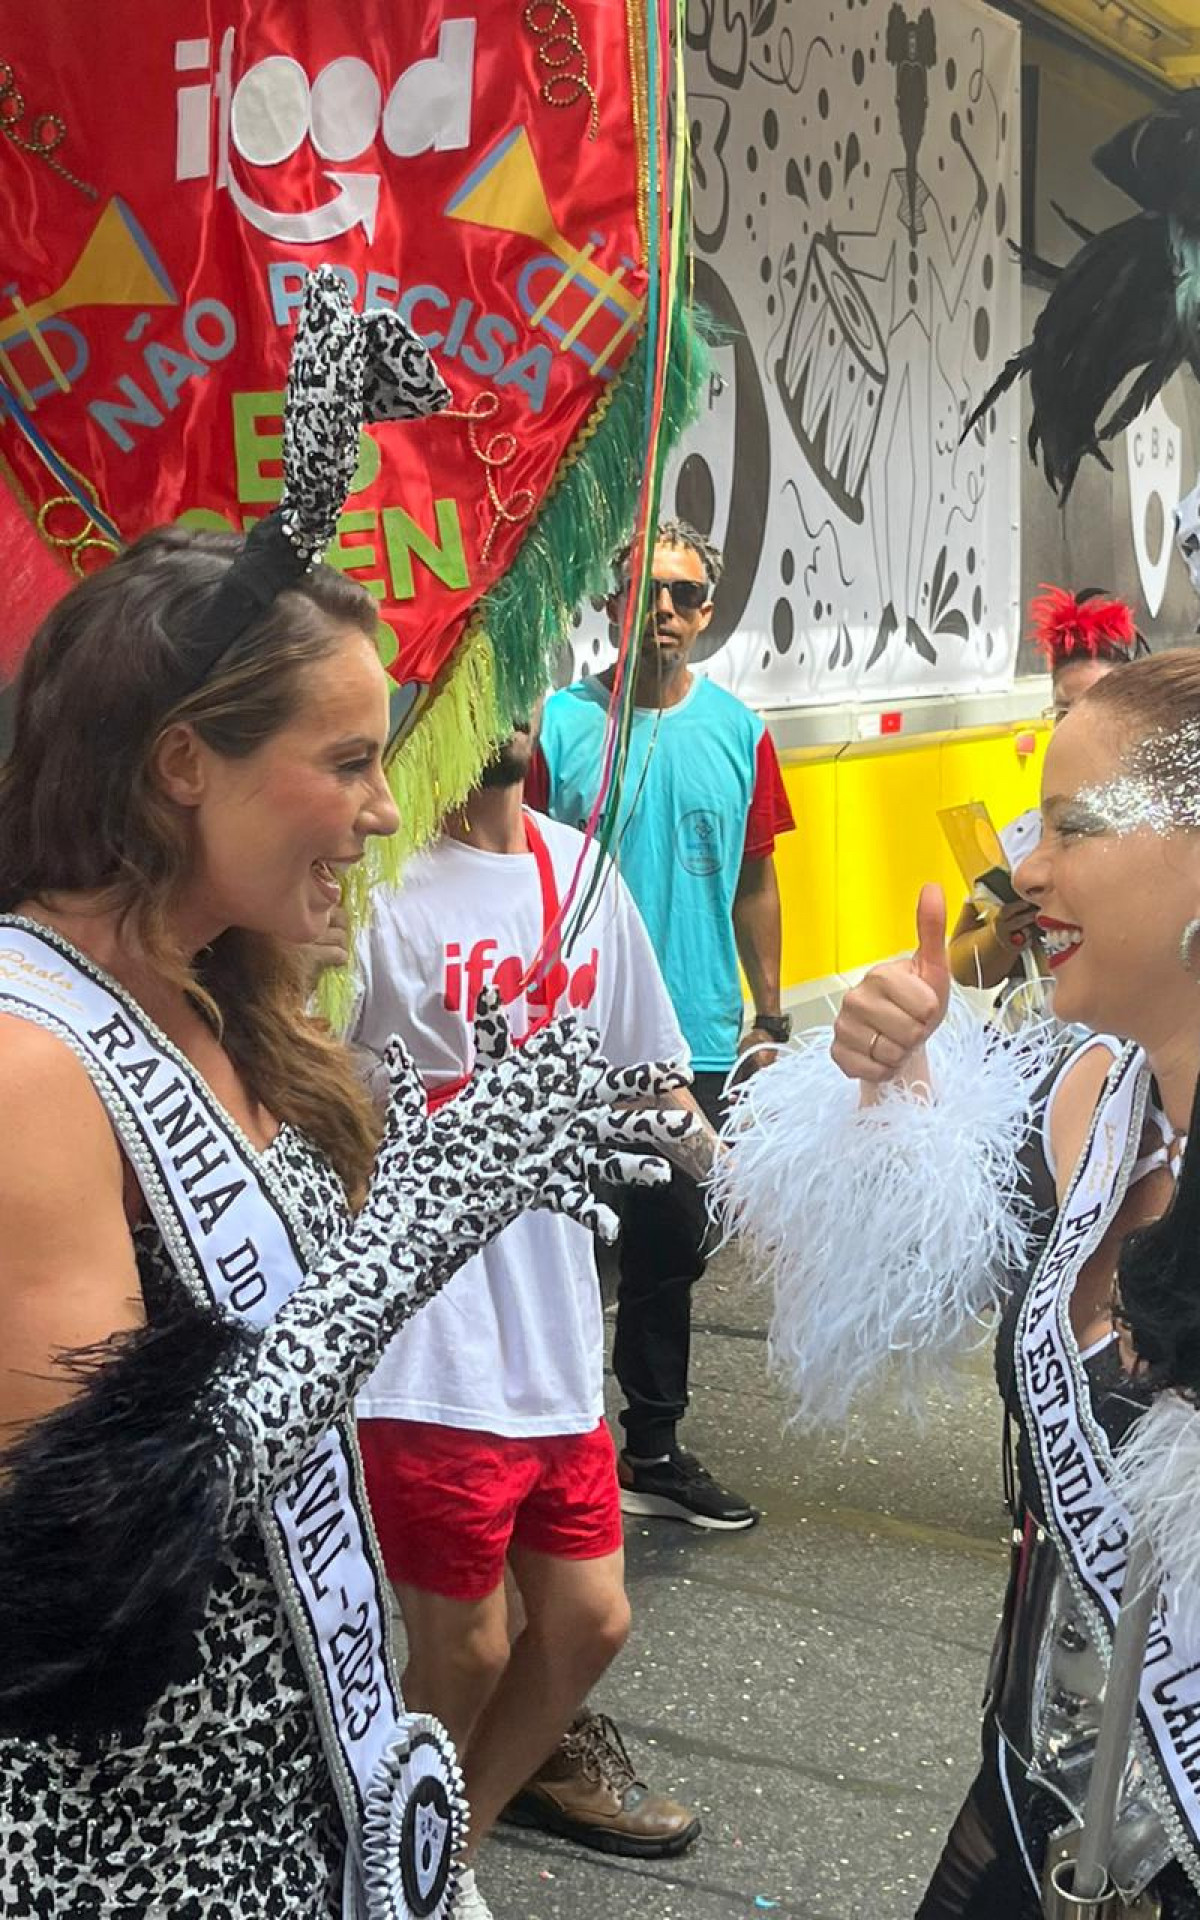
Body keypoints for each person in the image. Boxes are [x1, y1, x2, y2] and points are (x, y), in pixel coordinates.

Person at [0, 272, 691, 1920]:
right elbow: (90, 1557)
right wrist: (436, 1218)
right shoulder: (31, 1058)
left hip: (308, 1777)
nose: (391, 809)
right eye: (350, 760)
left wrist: (455, 1171)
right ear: (184, 769)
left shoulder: (223, 996)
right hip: (145, 1850)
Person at [715, 649, 1200, 1916]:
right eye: (1033, 829)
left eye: (1077, 827)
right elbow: (884, 1294)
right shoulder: (1088, 1099)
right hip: (1037, 1799)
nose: (1027, 871)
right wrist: (891, 1095)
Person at [346, 720, 702, 1910]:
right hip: (425, 1338)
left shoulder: (581, 870)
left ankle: (442, 1859)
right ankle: (370, 1874)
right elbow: (312, 1102)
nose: (504, 711)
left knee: (589, 1622)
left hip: (552, 1333)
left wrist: (752, 1152)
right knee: (470, 1650)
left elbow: (652, 1083)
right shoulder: (373, 882)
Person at [529, 520, 795, 1530]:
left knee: (668, 1247)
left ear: (709, 612)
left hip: (694, 1041)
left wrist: (771, 1013)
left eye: (685, 596)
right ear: (613, 605)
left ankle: (649, 1447)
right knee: (550, 1239)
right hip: (569, 1040)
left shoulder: (739, 731)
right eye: (649, 594)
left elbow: (757, 879)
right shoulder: (558, 728)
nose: (668, 613)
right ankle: (551, 1445)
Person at [948, 585, 1143, 993]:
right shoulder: (1023, 843)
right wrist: (1002, 937)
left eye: (1095, 709)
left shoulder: (1166, 839)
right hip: (1040, 1049)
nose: (1073, 727)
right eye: (1062, 712)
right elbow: (962, 966)